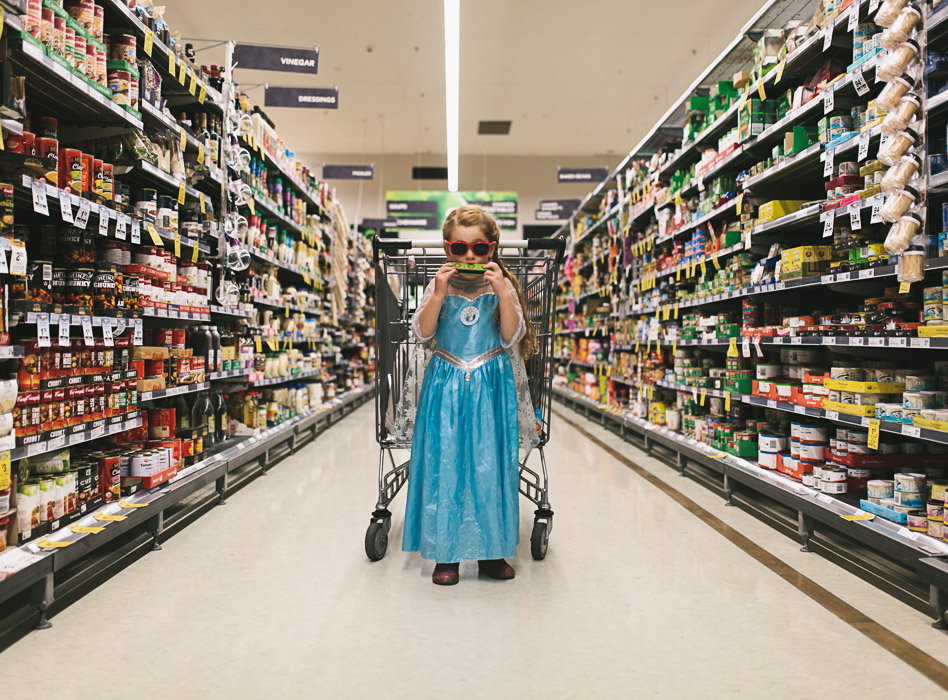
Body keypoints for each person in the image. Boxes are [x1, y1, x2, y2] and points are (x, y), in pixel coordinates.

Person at [401, 205, 538, 585]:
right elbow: (423, 334)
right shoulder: (438, 285)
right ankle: (447, 553)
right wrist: (440, 291)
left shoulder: (502, 286)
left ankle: (491, 552)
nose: (469, 257)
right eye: (459, 248)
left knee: (490, 464)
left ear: (492, 249)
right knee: (446, 461)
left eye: (480, 249)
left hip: (491, 387)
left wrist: (503, 291)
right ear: (447, 249)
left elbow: (512, 337)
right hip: (445, 384)